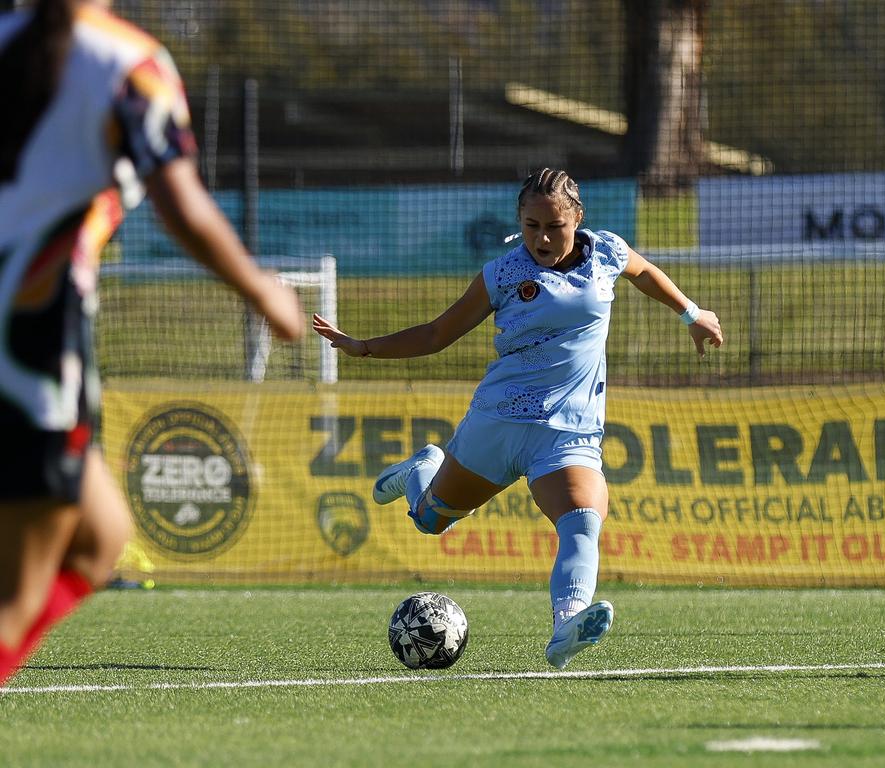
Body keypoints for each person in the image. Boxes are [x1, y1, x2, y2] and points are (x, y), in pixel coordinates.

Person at [0, 0, 305, 686]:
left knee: (99, 540)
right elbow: (183, 205)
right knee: (14, 604)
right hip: (26, 341)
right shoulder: (128, 64)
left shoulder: (9, 41)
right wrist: (262, 292)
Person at [313, 167, 723, 669]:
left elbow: (644, 273)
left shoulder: (608, 252)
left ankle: (566, 624)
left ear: (577, 218)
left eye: (554, 225)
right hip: (498, 424)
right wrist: (365, 348)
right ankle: (422, 470)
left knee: (582, 519)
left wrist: (691, 313)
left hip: (568, 434)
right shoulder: (503, 274)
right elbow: (437, 333)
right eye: (531, 226)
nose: (543, 238)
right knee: (430, 521)